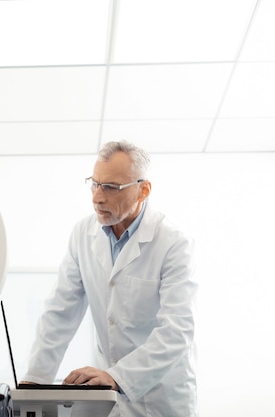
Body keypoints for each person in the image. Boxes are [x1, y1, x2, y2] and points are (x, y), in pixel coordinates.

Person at [21, 141, 198, 417]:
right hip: (110, 396)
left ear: (143, 189)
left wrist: (118, 376)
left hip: (162, 397)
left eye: (111, 187)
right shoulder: (83, 233)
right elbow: (60, 313)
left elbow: (177, 331)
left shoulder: (173, 242)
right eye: (94, 184)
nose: (97, 197)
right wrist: (34, 382)